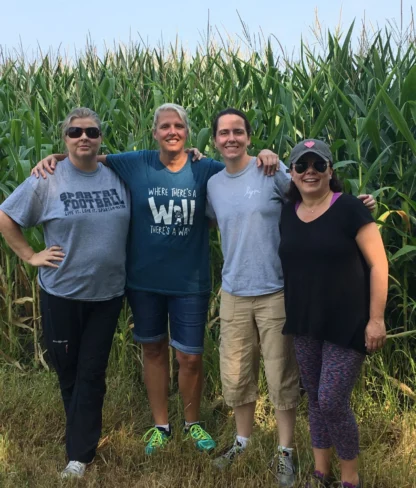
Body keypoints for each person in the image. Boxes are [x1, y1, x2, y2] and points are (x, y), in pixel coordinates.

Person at [31, 103, 279, 456]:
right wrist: (55, 156)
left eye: (178, 125)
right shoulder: (136, 162)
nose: (172, 131)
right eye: (165, 126)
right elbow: (88, 156)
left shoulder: (205, 168)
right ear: (155, 132)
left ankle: (192, 423)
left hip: (190, 281)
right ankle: (161, 424)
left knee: (190, 357)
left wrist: (265, 154)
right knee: (153, 349)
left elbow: (239, 165)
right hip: (144, 280)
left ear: (188, 132)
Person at [206, 109, 376, 488]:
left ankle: (286, 452)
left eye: (238, 131)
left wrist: (357, 209)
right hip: (234, 291)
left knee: (283, 378)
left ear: (249, 137)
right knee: (236, 376)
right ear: (214, 140)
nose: (231, 138)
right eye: (223, 133)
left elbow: (319, 194)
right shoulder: (213, 183)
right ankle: (243, 442)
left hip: (279, 293)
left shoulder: (274, 171)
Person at [0, 108, 131, 479]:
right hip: (61, 293)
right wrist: (30, 255)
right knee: (68, 371)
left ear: (101, 137)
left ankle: (79, 453)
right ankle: (79, 437)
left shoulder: (117, 176)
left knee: (92, 371)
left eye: (91, 131)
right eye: (75, 132)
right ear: (65, 137)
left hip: (107, 295)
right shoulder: (47, 179)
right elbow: (6, 216)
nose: (84, 137)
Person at [279, 139, 388, 488]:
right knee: (314, 396)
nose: (309, 171)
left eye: (318, 164)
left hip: (348, 321)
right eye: (301, 165)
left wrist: (376, 319)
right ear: (292, 173)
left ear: (330, 171)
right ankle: (320, 472)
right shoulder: (287, 211)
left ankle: (349, 478)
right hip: (305, 320)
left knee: (331, 399)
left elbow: (378, 264)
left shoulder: (351, 208)